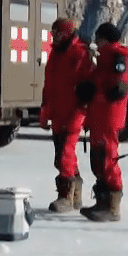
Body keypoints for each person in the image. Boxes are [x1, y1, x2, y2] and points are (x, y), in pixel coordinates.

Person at [81, 21, 128, 222]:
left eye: (99, 38)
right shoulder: (105, 59)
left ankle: (112, 206)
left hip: (109, 115)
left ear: (104, 39)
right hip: (99, 114)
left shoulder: (117, 56)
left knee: (106, 157)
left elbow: (120, 86)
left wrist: (99, 93)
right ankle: (103, 202)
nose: (96, 42)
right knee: (98, 158)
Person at [38, 17, 93, 212]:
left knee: (65, 155)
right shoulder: (55, 54)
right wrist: (45, 113)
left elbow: (87, 85)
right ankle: (75, 195)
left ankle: (66, 197)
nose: (54, 37)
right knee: (61, 155)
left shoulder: (79, 53)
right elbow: (49, 87)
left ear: (67, 34)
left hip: (73, 112)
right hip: (58, 111)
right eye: (53, 33)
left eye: (58, 33)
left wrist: (84, 109)